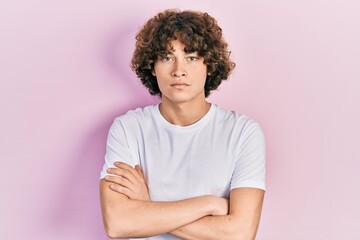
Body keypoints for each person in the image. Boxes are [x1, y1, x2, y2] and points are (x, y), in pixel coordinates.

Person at [99, 9, 266, 240]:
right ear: (152, 67)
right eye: (167, 58)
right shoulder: (128, 129)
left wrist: (146, 206)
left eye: (192, 57)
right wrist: (209, 204)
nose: (179, 71)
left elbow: (240, 233)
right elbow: (118, 223)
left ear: (210, 66)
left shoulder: (243, 133)